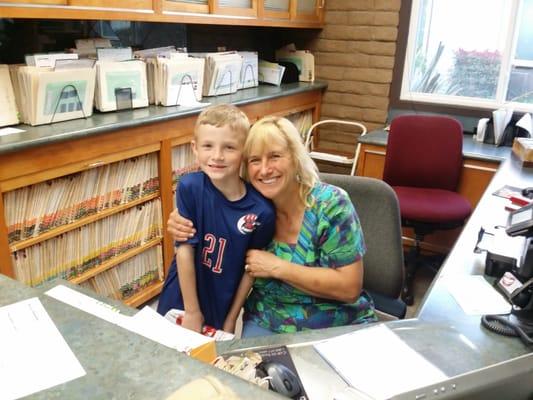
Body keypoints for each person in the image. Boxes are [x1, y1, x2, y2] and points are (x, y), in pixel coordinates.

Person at [167, 116, 376, 337]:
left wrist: (277, 267)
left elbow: (349, 288)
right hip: (268, 320)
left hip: (336, 322)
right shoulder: (251, 211)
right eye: (255, 160)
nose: (265, 170)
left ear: (295, 158)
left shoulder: (331, 204)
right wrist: (181, 222)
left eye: (275, 156)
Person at [157, 104, 275, 334]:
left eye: (229, 147)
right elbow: (184, 248)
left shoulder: (262, 212)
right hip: (181, 295)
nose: (217, 156)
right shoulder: (190, 187)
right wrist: (192, 311)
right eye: (208, 146)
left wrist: (232, 318)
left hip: (221, 302)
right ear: (195, 148)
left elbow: (250, 270)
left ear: (244, 152)